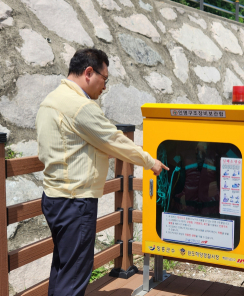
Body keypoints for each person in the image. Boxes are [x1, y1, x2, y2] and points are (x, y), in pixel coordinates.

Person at [36, 48, 168, 296]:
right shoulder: (80, 107)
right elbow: (113, 140)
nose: (104, 87)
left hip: (54, 197)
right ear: (88, 72)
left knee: (63, 267)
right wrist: (151, 162)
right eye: (104, 79)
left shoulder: (51, 100)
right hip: (76, 200)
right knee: (75, 272)